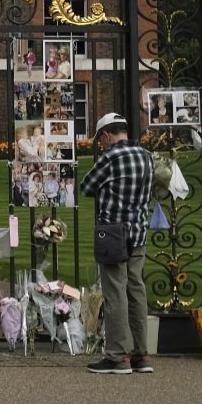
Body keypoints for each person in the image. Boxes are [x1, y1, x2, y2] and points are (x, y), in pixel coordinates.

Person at [81, 112, 155, 374]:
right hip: (139, 231)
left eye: (100, 140)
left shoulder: (110, 157)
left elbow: (86, 186)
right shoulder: (146, 156)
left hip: (112, 232)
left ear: (106, 135)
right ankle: (141, 355)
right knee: (136, 291)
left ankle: (117, 355)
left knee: (115, 294)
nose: (100, 144)